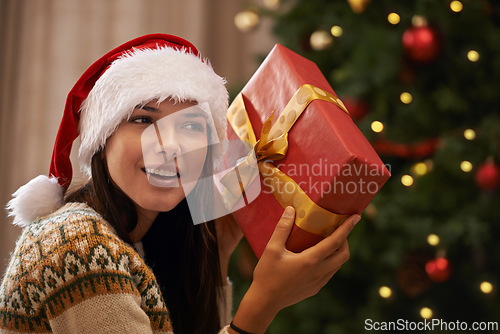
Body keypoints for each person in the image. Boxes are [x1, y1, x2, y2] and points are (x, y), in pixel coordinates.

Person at [0, 34, 359, 334]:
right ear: (102, 140)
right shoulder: (78, 246)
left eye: (190, 126)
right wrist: (264, 303)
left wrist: (219, 253)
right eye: (143, 119)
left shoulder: (144, 238)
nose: (170, 145)